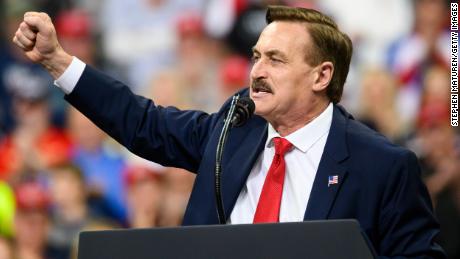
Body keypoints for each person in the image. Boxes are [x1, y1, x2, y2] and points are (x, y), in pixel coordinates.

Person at [12, 5, 444, 258]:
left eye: (275, 60)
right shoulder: (232, 130)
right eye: (256, 56)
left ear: (321, 75)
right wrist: (57, 61)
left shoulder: (383, 167)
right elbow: (142, 121)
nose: (256, 71)